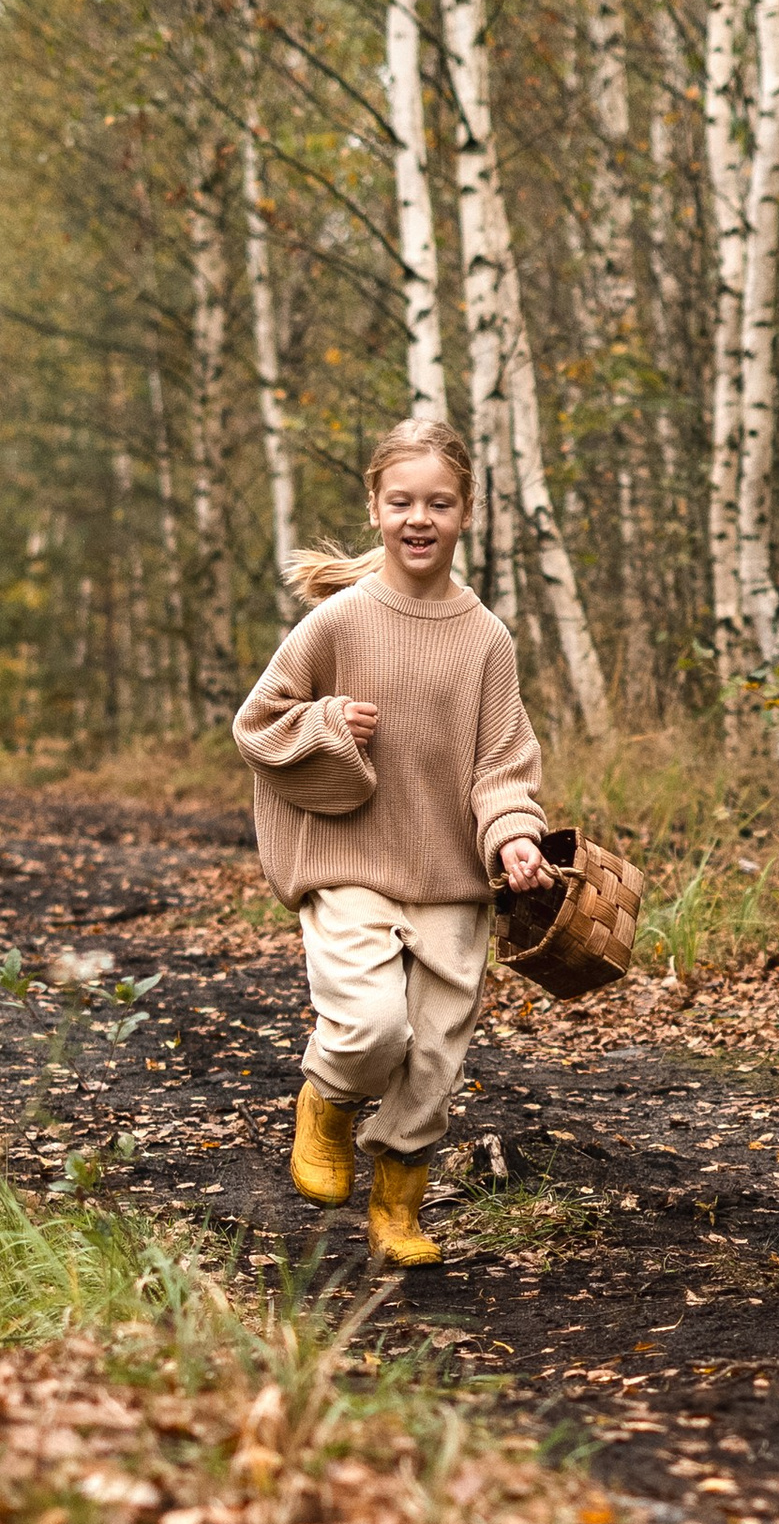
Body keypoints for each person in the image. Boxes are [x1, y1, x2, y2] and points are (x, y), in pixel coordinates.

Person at [231, 414, 552, 1269]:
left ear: (466, 515)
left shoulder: (486, 639)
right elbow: (259, 724)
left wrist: (516, 839)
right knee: (371, 1028)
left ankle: (397, 1203)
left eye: (438, 504)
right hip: (350, 865)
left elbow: (503, 767)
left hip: (451, 876)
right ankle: (325, 1107)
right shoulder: (338, 622)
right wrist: (330, 720)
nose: (420, 518)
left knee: (436, 1056)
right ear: (374, 507)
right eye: (402, 501)